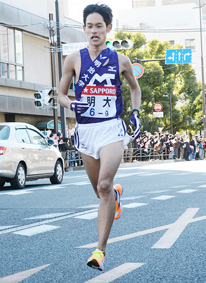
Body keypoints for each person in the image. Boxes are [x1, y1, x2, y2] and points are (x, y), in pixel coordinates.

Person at [57, 3, 141, 271]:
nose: (94, 31)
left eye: (99, 26)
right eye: (90, 26)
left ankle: (99, 251)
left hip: (111, 129)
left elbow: (134, 88)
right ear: (83, 29)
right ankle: (115, 195)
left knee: (104, 184)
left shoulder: (120, 60)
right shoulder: (73, 59)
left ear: (108, 28)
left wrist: (136, 112)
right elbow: (59, 93)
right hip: (86, 131)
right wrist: (72, 105)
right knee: (100, 192)